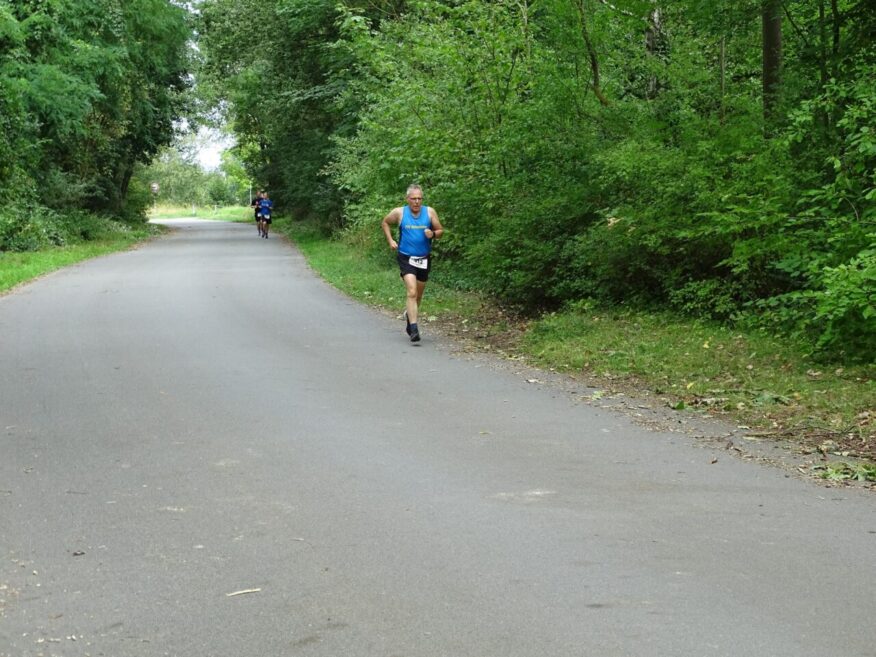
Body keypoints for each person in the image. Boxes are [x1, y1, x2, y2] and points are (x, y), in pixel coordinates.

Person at [381, 184, 444, 342]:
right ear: (407, 199)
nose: (416, 202)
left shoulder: (429, 212)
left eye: (419, 199)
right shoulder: (399, 212)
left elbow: (440, 231)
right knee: (411, 291)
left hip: (423, 258)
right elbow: (385, 222)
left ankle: (410, 318)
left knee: (418, 295)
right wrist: (390, 240)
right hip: (406, 257)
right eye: (413, 199)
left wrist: (433, 234)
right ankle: (414, 329)